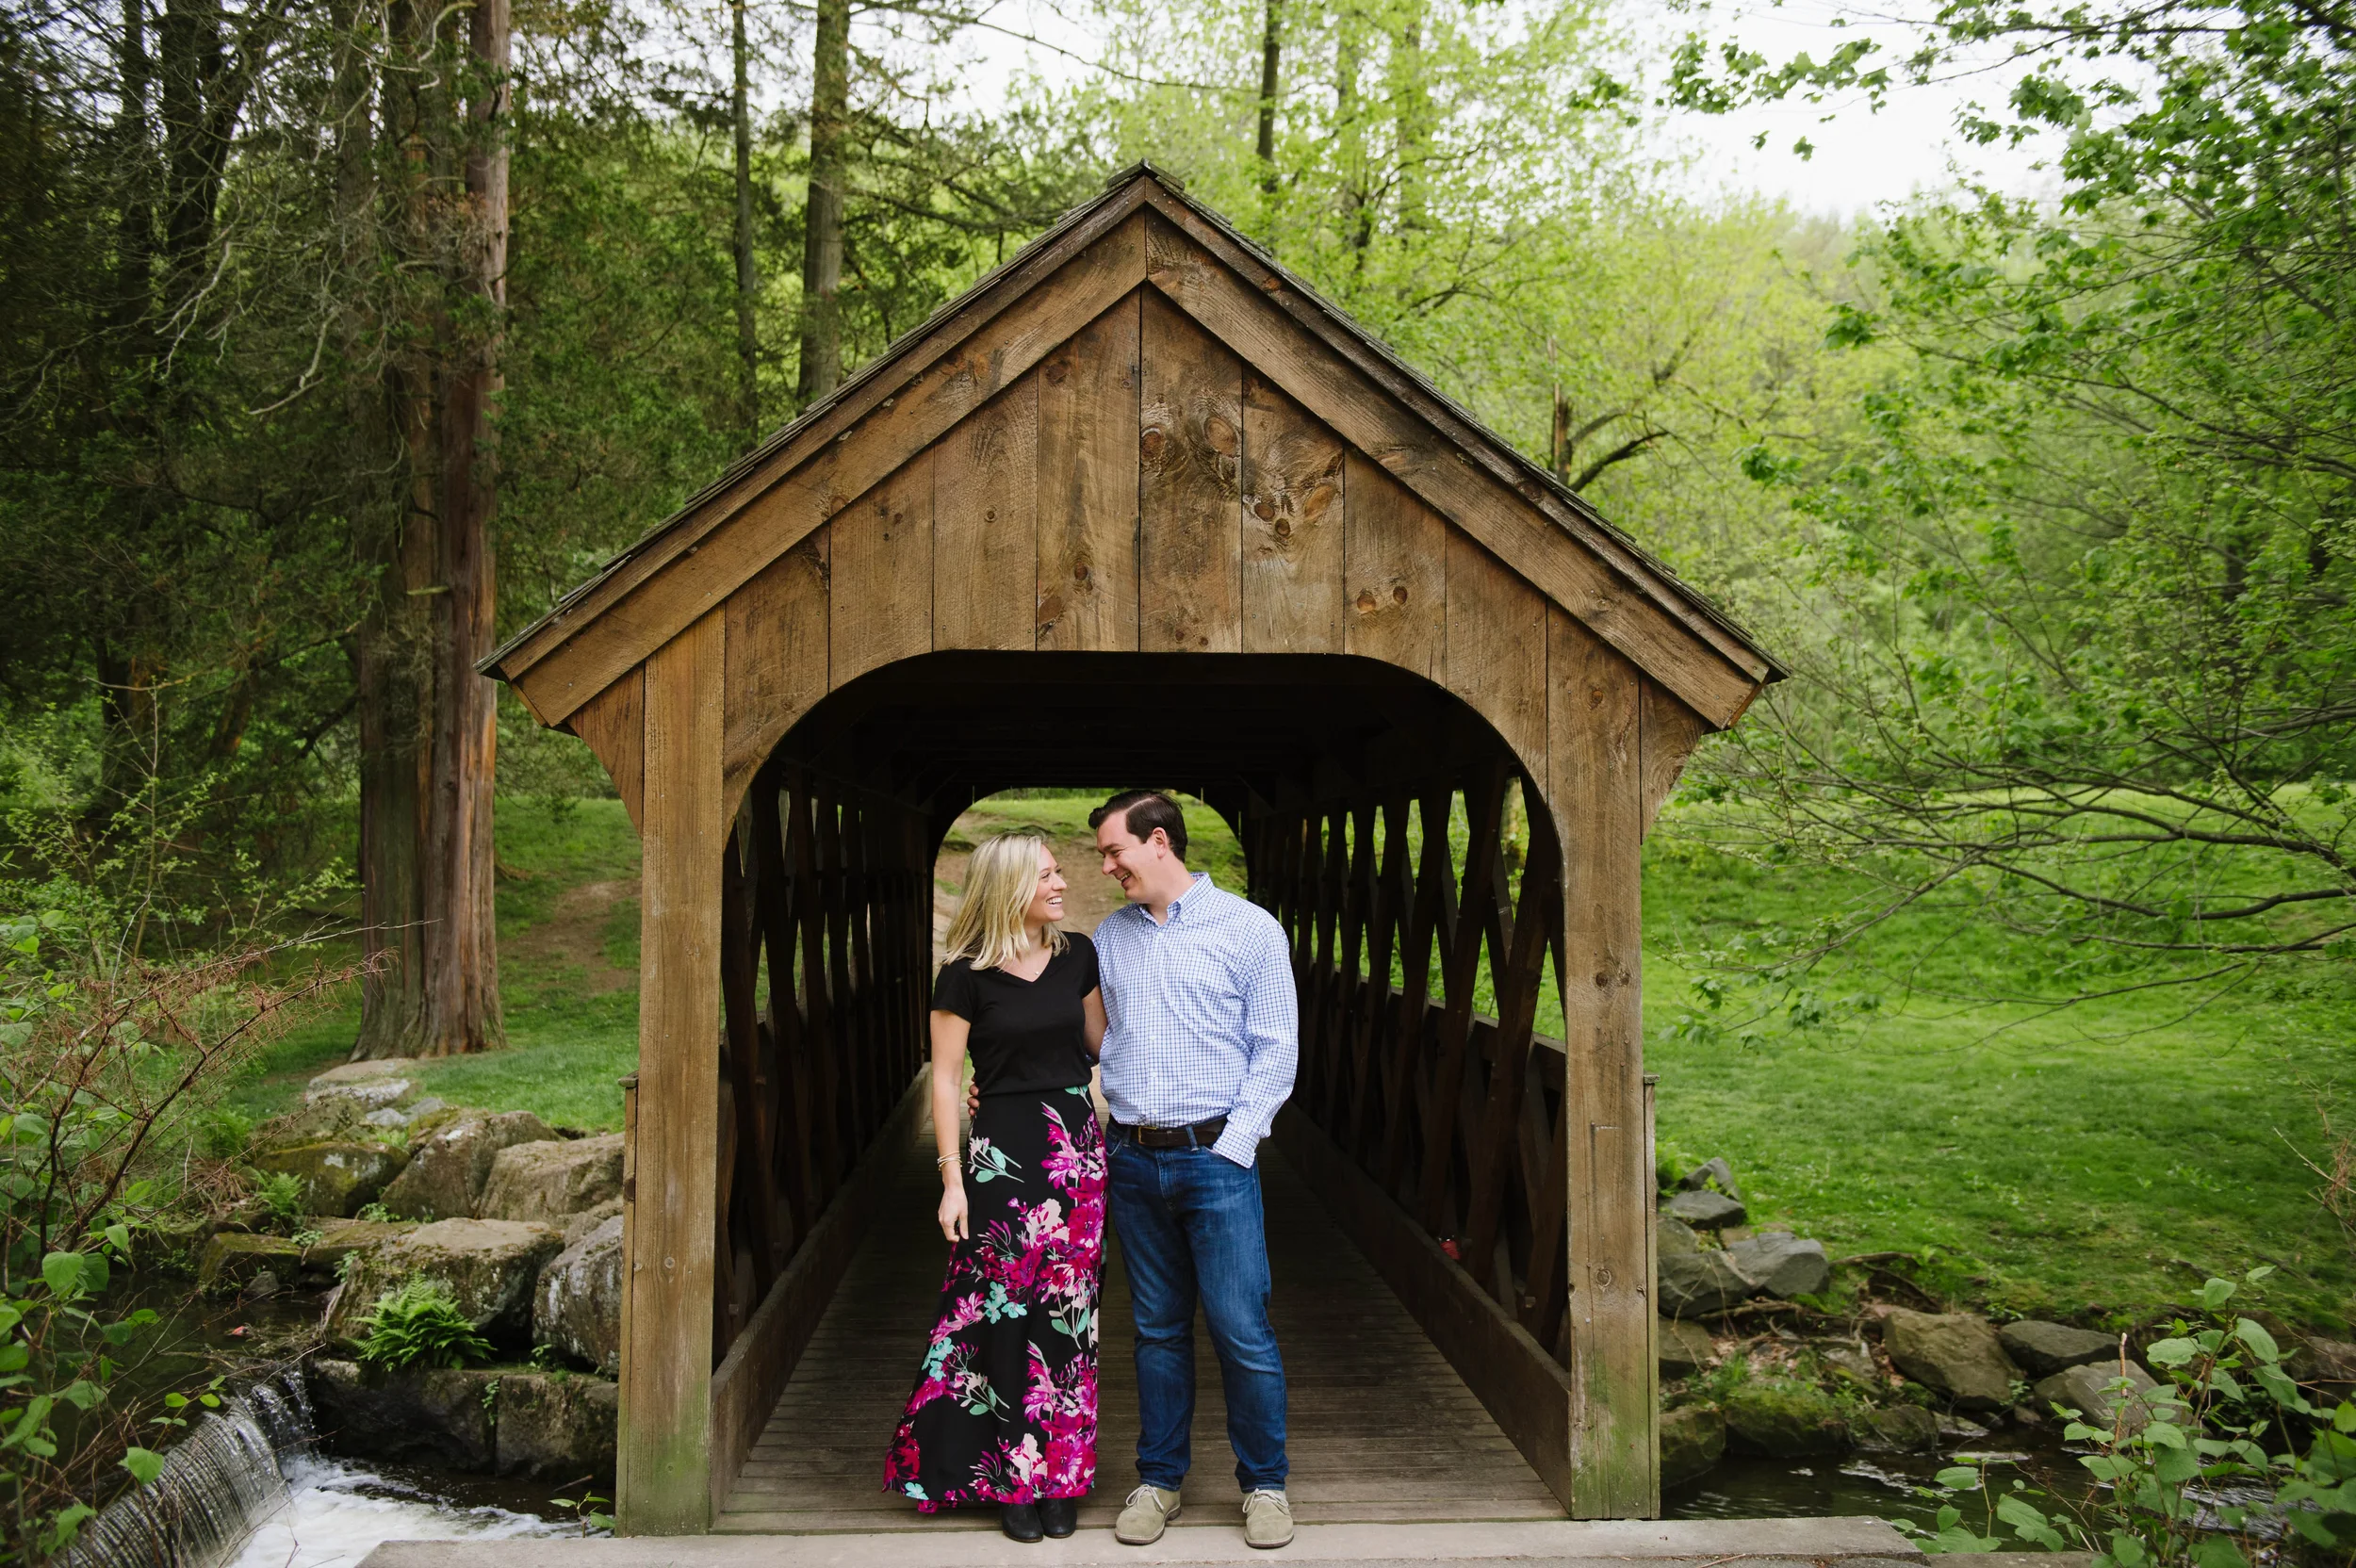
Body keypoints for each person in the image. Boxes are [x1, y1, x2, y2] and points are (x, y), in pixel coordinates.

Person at [1089, 790, 1300, 1552]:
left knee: (1242, 1329)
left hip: (1216, 1160)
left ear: (1157, 842)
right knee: (1156, 1331)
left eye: (1114, 851)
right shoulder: (1109, 938)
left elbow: (1277, 1047)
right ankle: (1160, 1481)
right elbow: (1086, 1037)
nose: (1107, 867)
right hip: (1133, 1158)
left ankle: (1265, 1486)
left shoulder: (1249, 929)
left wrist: (1233, 1146)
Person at [883, 834, 1109, 1544]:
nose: (1062, 882)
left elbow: (1103, 1045)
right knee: (1001, 1316)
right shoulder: (964, 977)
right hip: (999, 1162)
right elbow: (947, 1081)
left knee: (1071, 1320)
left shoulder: (1079, 955)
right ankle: (1014, 1478)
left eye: (1058, 872)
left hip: (1076, 1158)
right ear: (1011, 884)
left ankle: (1063, 1476)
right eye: (1047, 874)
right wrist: (951, 1181)